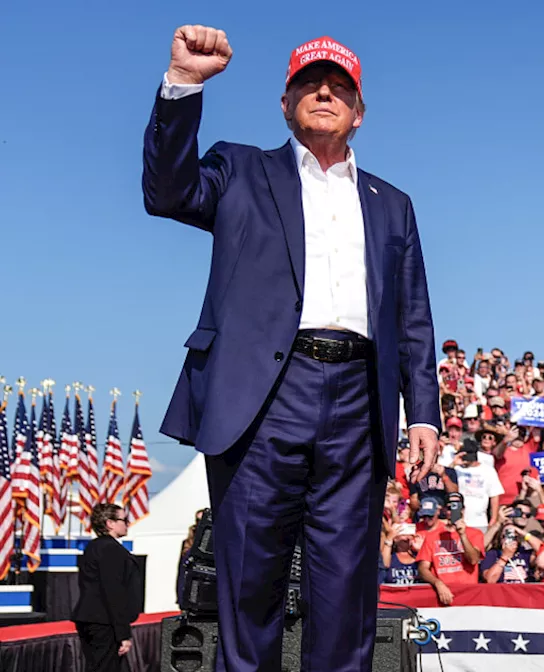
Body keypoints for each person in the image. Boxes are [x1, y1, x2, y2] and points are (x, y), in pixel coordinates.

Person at [143, 26, 442, 672]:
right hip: (261, 401)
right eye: (310, 82)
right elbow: (167, 192)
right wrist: (184, 83)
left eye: (340, 86)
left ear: (359, 112)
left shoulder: (393, 205)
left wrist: (422, 412)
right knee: (249, 595)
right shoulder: (242, 168)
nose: (325, 92)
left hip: (358, 406)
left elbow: (412, 316)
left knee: (345, 603)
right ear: (285, 103)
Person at [72, 503, 144, 672]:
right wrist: (123, 634)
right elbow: (113, 592)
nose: (127, 524)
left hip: (91, 618)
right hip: (104, 621)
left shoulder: (94, 547)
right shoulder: (111, 549)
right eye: (124, 519)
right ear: (110, 523)